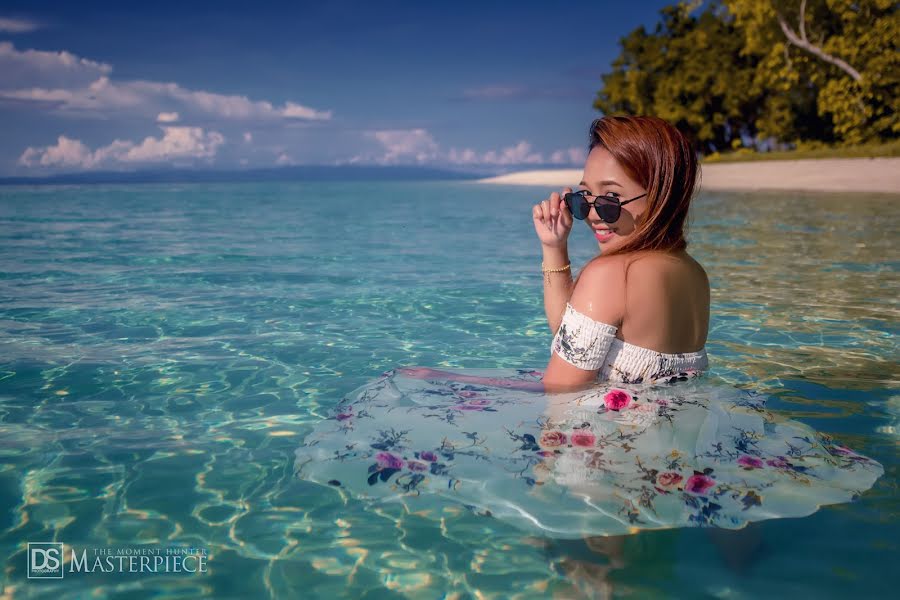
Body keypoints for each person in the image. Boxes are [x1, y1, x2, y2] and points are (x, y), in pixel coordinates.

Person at [399, 114, 709, 394]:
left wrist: (444, 376)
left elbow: (558, 393)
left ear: (661, 197)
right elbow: (576, 340)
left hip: (610, 452)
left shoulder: (614, 274)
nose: (592, 214)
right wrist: (554, 246)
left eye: (612, 198)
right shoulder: (694, 274)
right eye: (585, 196)